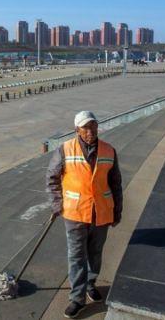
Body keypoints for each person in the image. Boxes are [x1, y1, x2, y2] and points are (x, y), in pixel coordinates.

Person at [46, 110, 123, 318]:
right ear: (77, 130)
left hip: (101, 213)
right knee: (76, 255)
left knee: (95, 252)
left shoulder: (109, 150)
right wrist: (57, 204)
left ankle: (90, 283)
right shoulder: (65, 149)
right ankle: (77, 299)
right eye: (86, 127)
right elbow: (52, 178)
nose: (90, 131)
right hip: (75, 213)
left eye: (93, 126)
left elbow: (116, 183)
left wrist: (117, 211)